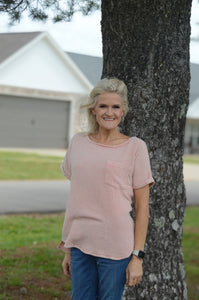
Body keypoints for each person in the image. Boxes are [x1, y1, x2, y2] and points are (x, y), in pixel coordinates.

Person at [58, 78, 154, 300]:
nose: (109, 112)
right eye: (103, 106)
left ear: (123, 112)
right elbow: (77, 198)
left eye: (115, 107)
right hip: (80, 245)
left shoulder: (135, 147)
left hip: (115, 248)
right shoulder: (78, 142)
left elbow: (142, 208)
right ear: (93, 109)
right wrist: (68, 248)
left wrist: (137, 257)